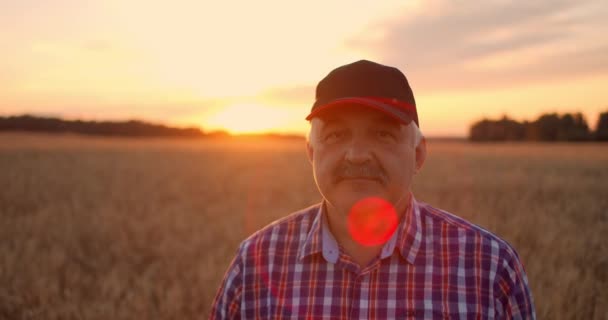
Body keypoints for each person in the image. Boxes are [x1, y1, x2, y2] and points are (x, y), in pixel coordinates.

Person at [210, 60, 535, 319]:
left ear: (418, 155)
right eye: (336, 135)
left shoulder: (489, 268)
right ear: (311, 153)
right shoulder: (254, 264)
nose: (357, 155)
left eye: (383, 135)